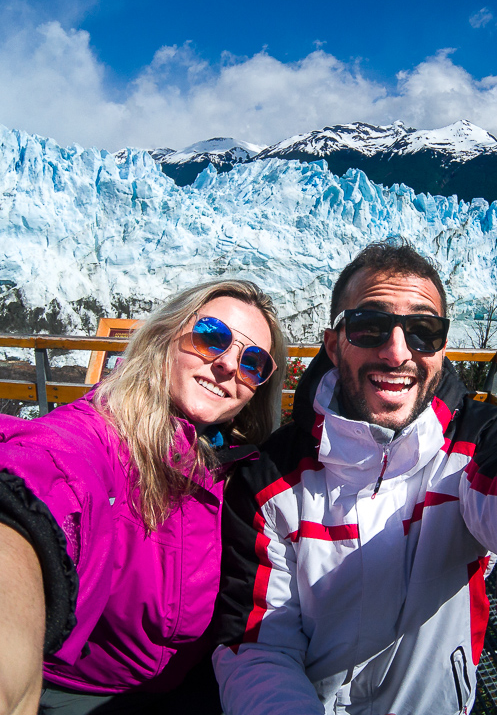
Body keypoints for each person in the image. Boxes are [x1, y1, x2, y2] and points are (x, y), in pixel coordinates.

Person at [211, 241, 497, 715]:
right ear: (334, 345)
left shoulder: (474, 448)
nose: (397, 353)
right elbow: (258, 646)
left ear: (441, 348)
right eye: (370, 327)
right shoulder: (269, 480)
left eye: (423, 331)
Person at [0, 279, 287, 715]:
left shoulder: (238, 467)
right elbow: (43, 485)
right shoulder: (99, 441)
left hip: (191, 686)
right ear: (164, 337)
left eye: (252, 363)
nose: (228, 365)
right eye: (212, 337)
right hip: (77, 695)